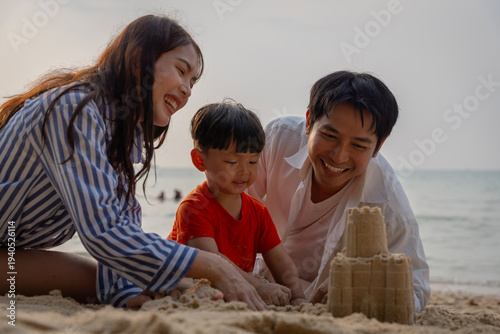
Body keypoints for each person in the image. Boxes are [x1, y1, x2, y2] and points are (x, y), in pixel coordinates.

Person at [0, 14, 267, 311]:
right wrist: (214, 266)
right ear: (139, 59)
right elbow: (103, 231)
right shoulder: (74, 109)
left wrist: (136, 287)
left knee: (112, 280)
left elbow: (124, 224)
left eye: (193, 82)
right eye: (181, 71)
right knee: (96, 279)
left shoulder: (121, 138)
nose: (188, 89)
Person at [247, 71, 431, 313]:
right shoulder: (277, 140)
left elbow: (415, 290)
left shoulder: (388, 203)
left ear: (378, 146)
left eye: (358, 145)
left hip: (321, 303)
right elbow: (229, 209)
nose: (339, 156)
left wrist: (364, 285)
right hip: (255, 283)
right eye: (329, 135)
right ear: (309, 121)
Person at [167, 100, 306, 306]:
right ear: (199, 161)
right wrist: (259, 287)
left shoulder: (258, 211)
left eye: (253, 162)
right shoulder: (194, 207)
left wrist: (298, 297)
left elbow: (280, 260)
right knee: (184, 287)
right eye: (232, 162)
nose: (244, 172)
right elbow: (210, 263)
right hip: (190, 279)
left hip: (234, 283)